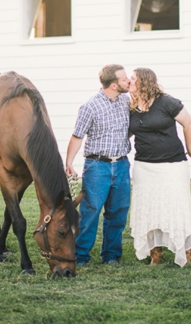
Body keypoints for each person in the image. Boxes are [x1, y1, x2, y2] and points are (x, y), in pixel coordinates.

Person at [127, 67, 191, 267]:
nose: (129, 81)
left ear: (144, 81)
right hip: (144, 166)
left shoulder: (166, 102)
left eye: (132, 79)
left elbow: (188, 123)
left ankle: (185, 252)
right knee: (149, 210)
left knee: (176, 207)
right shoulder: (130, 106)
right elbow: (128, 133)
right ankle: (155, 255)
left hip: (173, 165)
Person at [65, 64, 131, 265]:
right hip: (97, 166)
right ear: (113, 85)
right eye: (125, 79)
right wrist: (68, 161)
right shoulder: (90, 106)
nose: (129, 81)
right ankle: (81, 254)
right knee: (90, 212)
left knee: (118, 211)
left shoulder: (126, 101)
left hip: (121, 165)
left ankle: (111, 255)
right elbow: (77, 136)